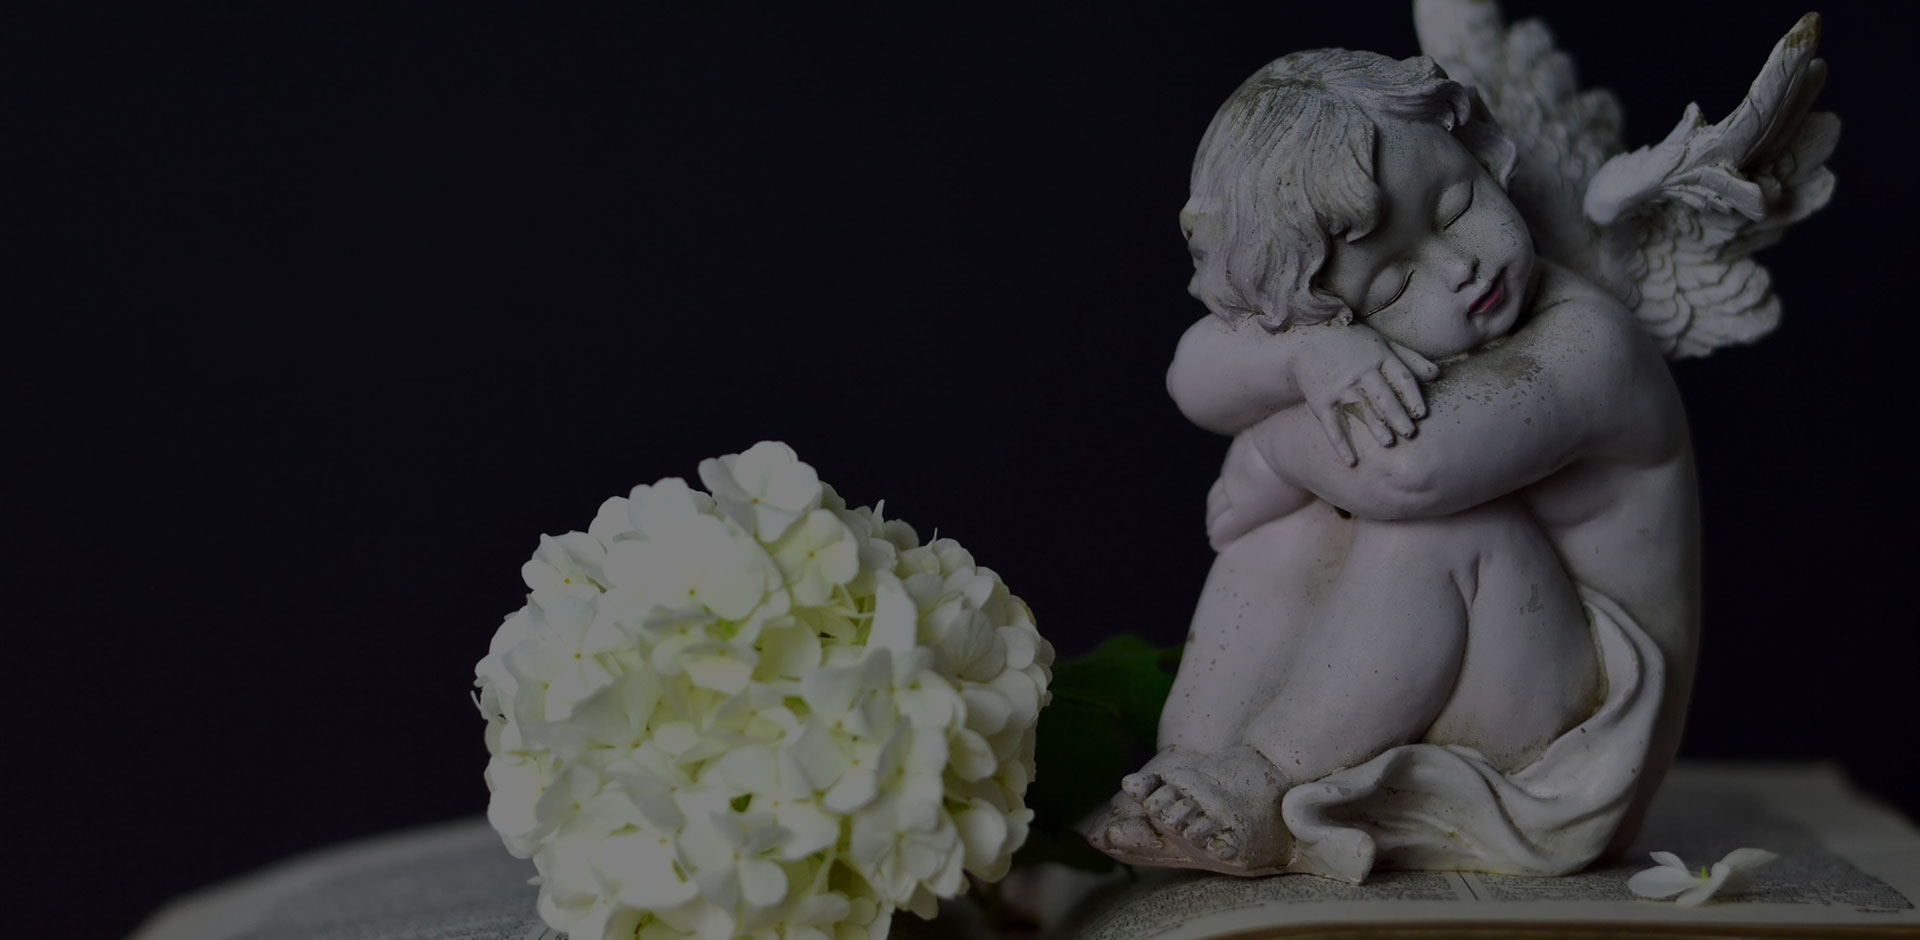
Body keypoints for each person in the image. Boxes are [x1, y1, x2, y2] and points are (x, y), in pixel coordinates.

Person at [1091, 48, 1699, 878]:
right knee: (1287, 529)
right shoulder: (1338, 330)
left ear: (1479, 154)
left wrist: (1266, 448)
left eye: (1457, 206)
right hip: (1458, 664)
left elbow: (1413, 474)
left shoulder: (1590, 346)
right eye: (1388, 290)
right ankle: (1192, 761)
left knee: (1439, 527)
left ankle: (1267, 775)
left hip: (1569, 729)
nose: (1458, 268)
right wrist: (1304, 356)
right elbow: (1194, 371)